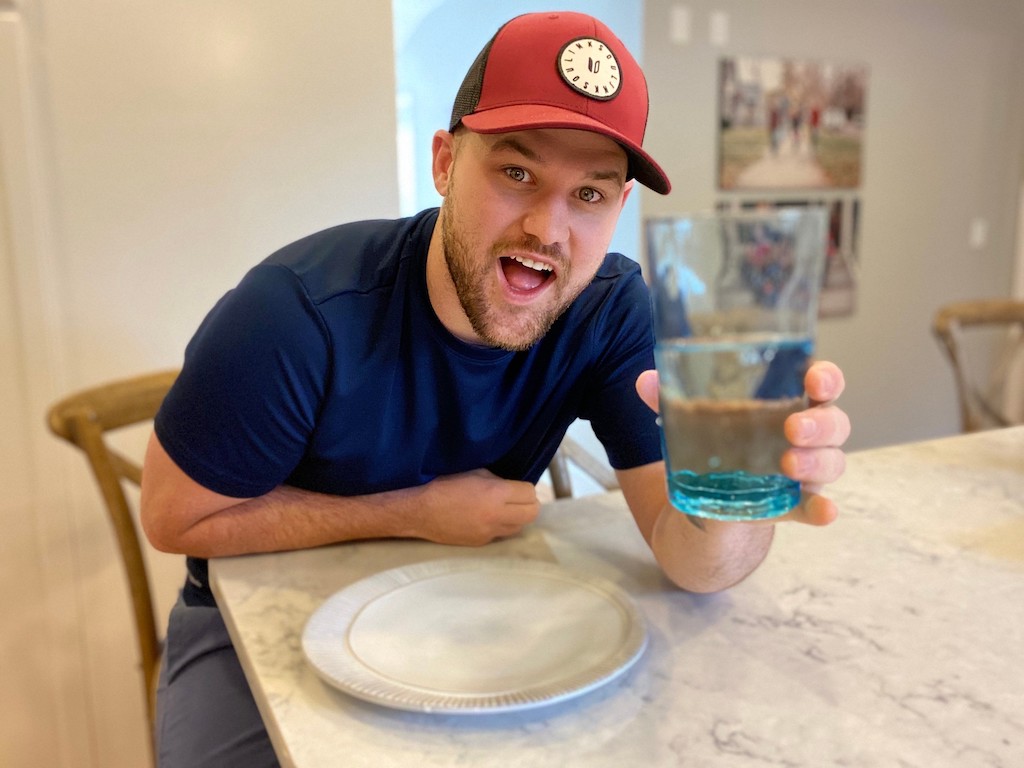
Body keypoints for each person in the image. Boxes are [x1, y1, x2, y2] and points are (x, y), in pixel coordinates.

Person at [141, 11, 851, 767]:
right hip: (248, 621)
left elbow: (693, 565)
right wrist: (414, 513)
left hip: (472, 615)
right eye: (516, 173)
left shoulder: (609, 310)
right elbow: (174, 516)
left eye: (590, 194)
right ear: (445, 163)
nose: (547, 228)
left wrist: (740, 487)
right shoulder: (294, 313)